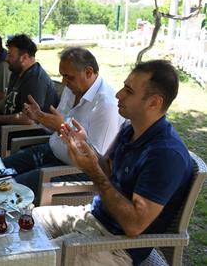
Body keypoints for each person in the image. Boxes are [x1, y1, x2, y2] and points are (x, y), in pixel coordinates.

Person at [34, 60, 193, 266]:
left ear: (154, 103)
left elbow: (134, 225)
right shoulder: (131, 129)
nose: (118, 95)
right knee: (30, 222)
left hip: (119, 248)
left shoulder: (165, 154)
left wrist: (92, 170)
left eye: (128, 91)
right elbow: (108, 169)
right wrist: (85, 146)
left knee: (35, 257)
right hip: (94, 219)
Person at [2, 47, 124, 194]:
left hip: (74, 170)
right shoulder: (72, 89)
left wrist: (62, 127)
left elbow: (96, 165)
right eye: (62, 76)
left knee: (11, 189)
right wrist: (40, 117)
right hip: (50, 151)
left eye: (68, 77)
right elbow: (56, 124)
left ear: (89, 72)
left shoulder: (106, 105)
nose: (64, 82)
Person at [0, 34, 58, 142]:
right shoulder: (17, 71)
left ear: (24, 57)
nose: (6, 59)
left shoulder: (35, 79)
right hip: (5, 126)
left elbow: (28, 119)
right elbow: (9, 98)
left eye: (10, 55)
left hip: (21, 134)